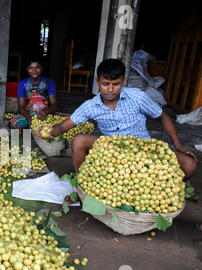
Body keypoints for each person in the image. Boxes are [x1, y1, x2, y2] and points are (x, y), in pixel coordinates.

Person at [42, 58, 198, 180]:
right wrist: (50, 131)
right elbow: (63, 127)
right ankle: (83, 181)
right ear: (98, 82)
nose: (110, 90)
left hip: (143, 147)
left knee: (189, 164)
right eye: (105, 84)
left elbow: (162, 116)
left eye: (115, 84)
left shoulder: (137, 96)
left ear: (123, 81)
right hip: (112, 147)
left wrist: (178, 144)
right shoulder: (91, 106)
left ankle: (163, 192)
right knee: (78, 140)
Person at [9, 58, 58, 129]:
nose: (34, 70)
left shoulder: (49, 83)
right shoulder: (22, 84)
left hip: (45, 114)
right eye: (31, 68)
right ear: (27, 69)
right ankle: (24, 139)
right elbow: (21, 107)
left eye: (37, 67)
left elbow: (54, 104)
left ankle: (39, 134)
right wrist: (28, 117)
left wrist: (45, 111)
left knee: (59, 123)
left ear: (42, 68)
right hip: (28, 114)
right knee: (14, 123)